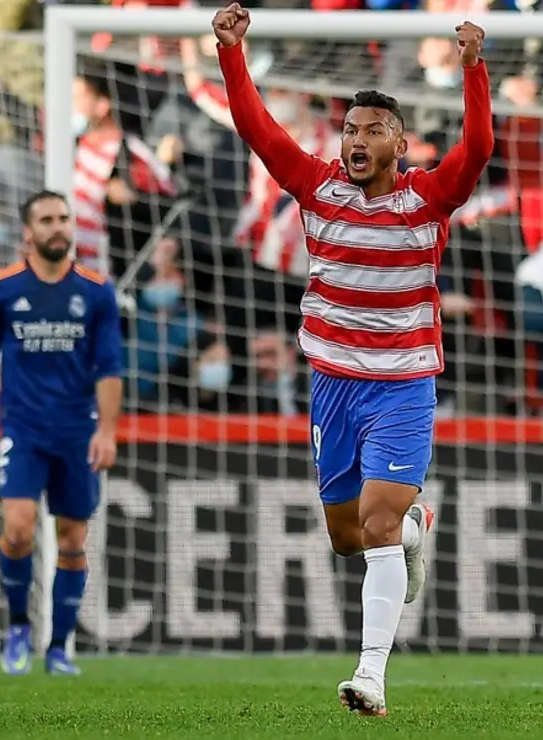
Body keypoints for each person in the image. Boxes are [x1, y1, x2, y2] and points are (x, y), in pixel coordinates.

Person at [213, 4, 492, 715]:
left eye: (373, 130)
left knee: (374, 527)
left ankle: (371, 673)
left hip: (403, 386)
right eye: (350, 129)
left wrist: (472, 70)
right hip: (333, 384)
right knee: (347, 536)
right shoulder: (316, 188)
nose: (357, 140)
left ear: (399, 142)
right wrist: (231, 54)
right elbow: (256, 128)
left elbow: (479, 150)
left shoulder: (428, 198)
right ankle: (415, 527)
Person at [0, 191, 124, 676]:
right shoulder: (0, 288)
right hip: (23, 428)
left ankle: (57, 648)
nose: (58, 227)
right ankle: (17, 628)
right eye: (47, 220)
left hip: (78, 430)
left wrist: (109, 431)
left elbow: (110, 367)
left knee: (73, 539)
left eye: (64, 218)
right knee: (16, 527)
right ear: (27, 233)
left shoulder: (97, 291)